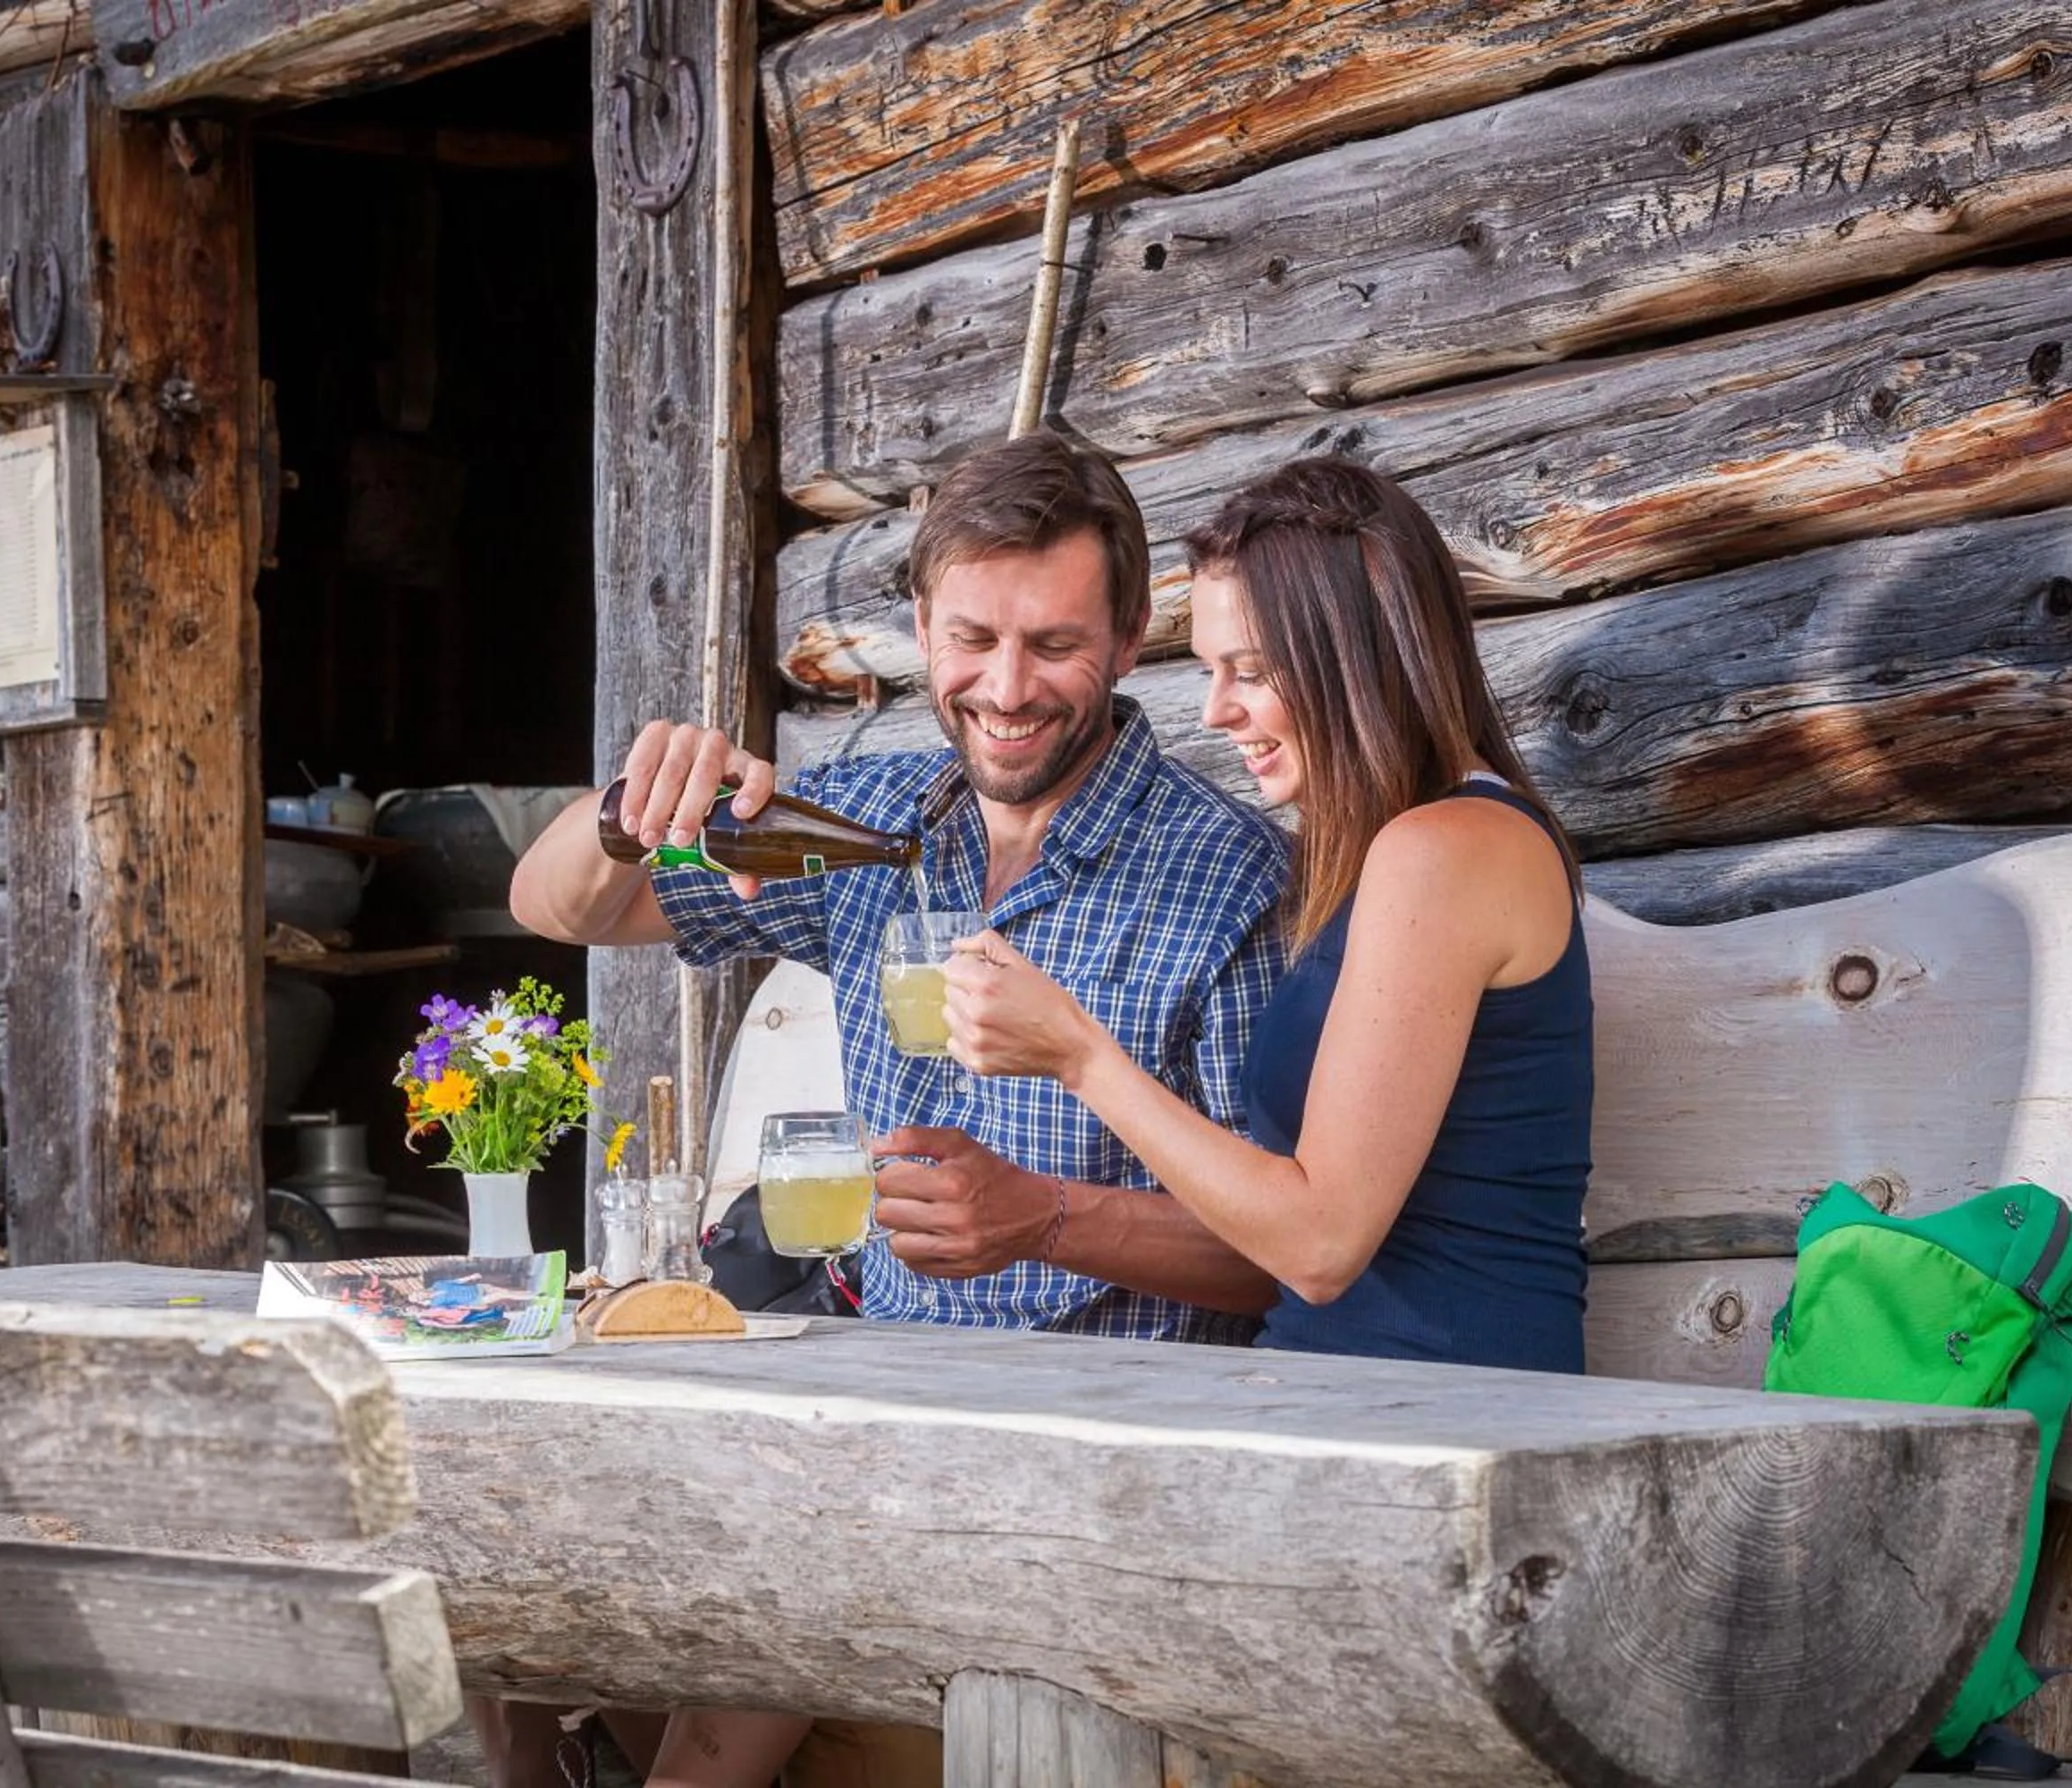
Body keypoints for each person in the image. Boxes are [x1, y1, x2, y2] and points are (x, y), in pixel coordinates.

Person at [499, 430, 1293, 1787]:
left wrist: (1043, 1219)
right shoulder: (865, 820)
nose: (1007, 688)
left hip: (1099, 1461)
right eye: (972, 639)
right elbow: (559, 906)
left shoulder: (1226, 880)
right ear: (921, 629)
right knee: (522, 1606)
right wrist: (632, 810)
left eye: (1055, 644)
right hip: (867, 1413)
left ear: (1129, 637)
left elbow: (1280, 1247)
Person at [939, 457, 1593, 1375]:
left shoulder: (1446, 850)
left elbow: (1320, 1243)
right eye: (1212, 669)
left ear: (1354, 656)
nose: (1216, 710)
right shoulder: (1375, 854)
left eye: (1249, 670)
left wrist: (1079, 1055)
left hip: (1444, 1403)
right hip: (1331, 1387)